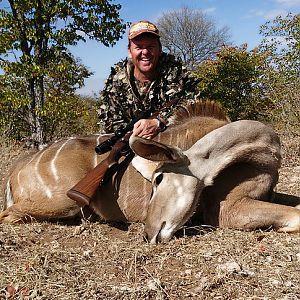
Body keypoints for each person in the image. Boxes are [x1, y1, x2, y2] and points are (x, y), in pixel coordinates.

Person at [98, 20, 200, 139]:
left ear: (160, 49)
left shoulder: (176, 71)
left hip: (171, 138)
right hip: (131, 142)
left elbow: (193, 103)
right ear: (129, 51)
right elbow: (109, 122)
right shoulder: (115, 81)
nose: (145, 52)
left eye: (150, 46)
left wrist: (159, 122)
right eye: (139, 47)